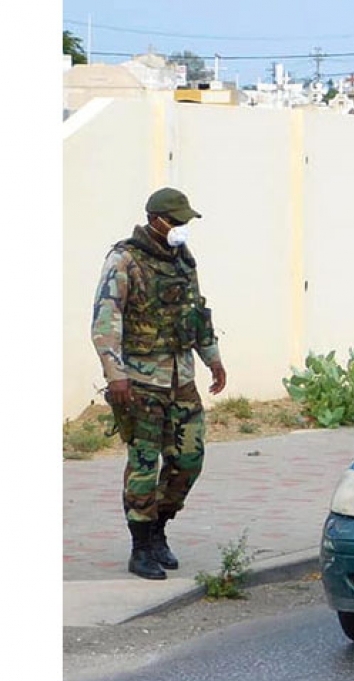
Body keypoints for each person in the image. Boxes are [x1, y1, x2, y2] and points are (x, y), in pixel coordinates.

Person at [91, 187, 227, 581]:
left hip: (181, 377)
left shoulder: (184, 260)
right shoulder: (124, 259)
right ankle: (141, 546)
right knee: (144, 464)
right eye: (178, 221)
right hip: (140, 381)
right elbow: (105, 321)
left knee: (189, 459)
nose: (183, 228)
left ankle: (159, 529)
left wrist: (212, 358)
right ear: (156, 220)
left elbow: (196, 315)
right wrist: (115, 375)